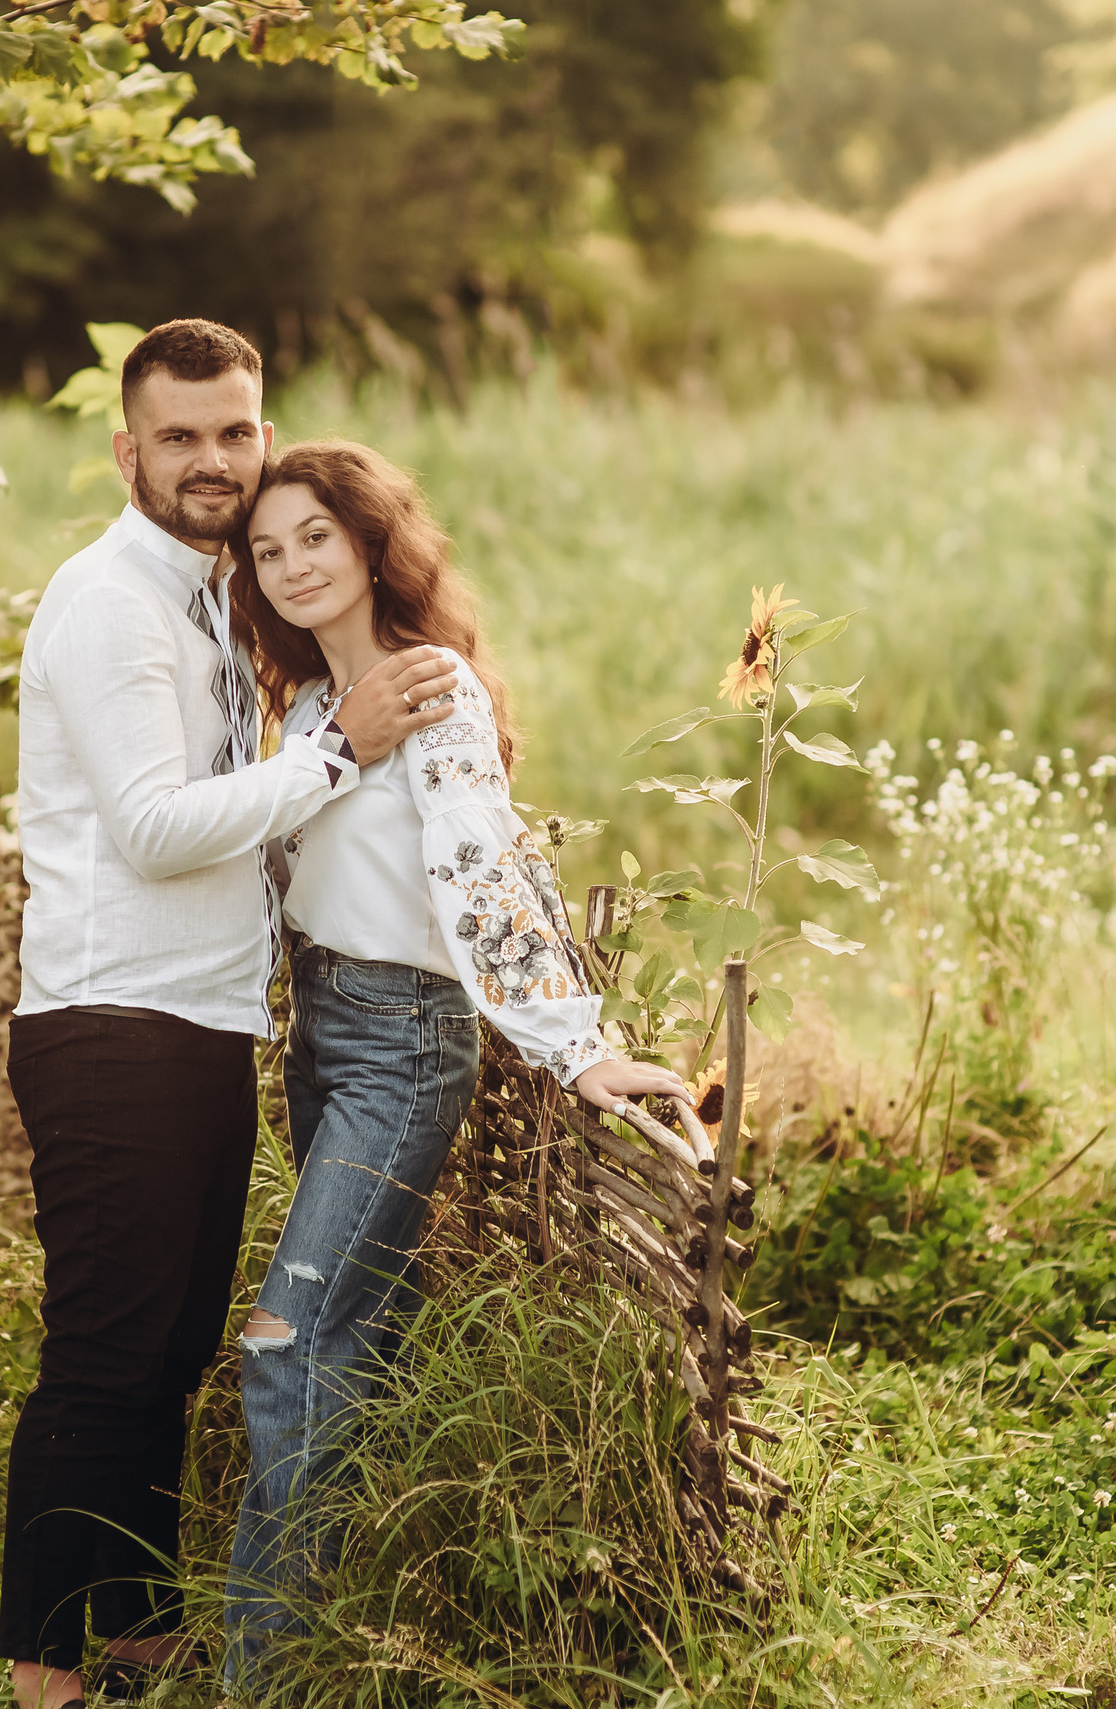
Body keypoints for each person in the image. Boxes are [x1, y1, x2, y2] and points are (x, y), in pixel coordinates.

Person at [0, 325, 459, 1709]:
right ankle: (45, 1673)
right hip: (108, 1018)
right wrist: (338, 749)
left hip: (199, 1023)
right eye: (182, 437)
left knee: (172, 1347)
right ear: (126, 449)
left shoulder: (215, 592)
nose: (214, 460)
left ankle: (136, 1635)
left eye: (236, 432)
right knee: (102, 1353)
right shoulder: (110, 603)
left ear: (263, 435)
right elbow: (147, 827)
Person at [221, 441, 689, 1682]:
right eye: (267, 550)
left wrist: (573, 1044)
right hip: (325, 1029)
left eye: (314, 534)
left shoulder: (429, 688)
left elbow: (483, 862)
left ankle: (256, 1674)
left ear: (372, 541)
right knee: (350, 1348)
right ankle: (357, 1637)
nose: (291, 564)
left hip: (401, 1041)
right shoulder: (316, 708)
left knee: (287, 1343)